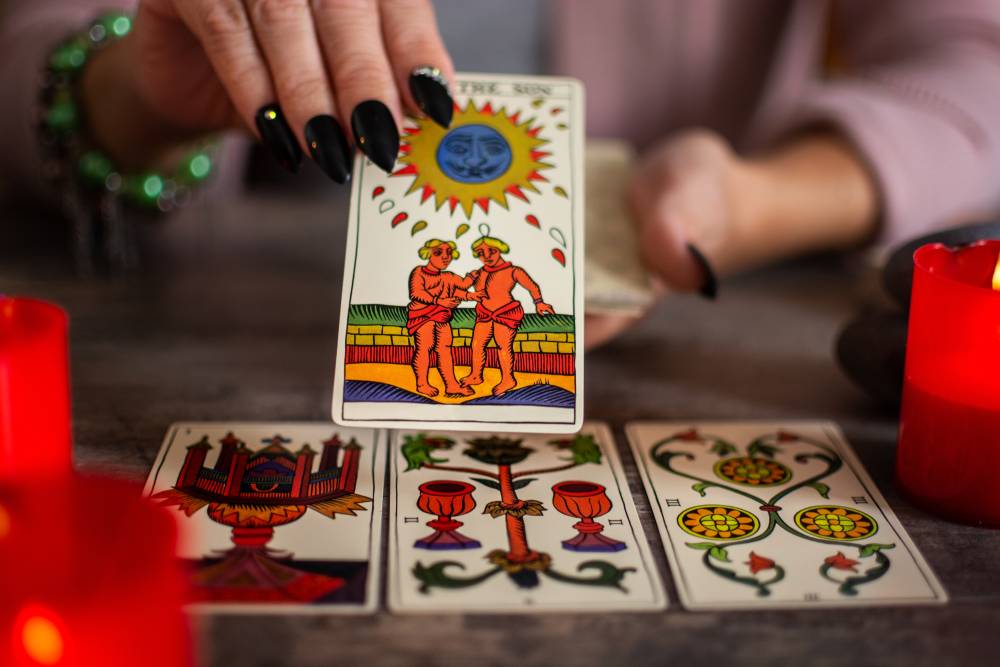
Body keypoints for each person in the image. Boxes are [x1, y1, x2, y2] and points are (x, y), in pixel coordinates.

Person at [3, 1, 1000, 347]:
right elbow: (31, 44)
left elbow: (977, 59)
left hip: (694, 334)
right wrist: (139, 93)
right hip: (234, 322)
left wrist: (751, 199)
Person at [461, 235, 553, 397]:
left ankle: (508, 379)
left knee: (503, 346)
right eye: (481, 253)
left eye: (492, 251)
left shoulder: (513, 271)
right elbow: (464, 289)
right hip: (484, 313)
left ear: (500, 250)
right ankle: (475, 375)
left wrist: (539, 302)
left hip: (505, 313)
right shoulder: (478, 273)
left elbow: (532, 287)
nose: (487, 256)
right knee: (476, 344)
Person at [406, 239, 478, 398]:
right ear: (428, 254)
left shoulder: (448, 276)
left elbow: (462, 287)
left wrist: (472, 291)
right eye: (438, 253)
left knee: (445, 349)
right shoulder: (419, 271)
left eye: (449, 253)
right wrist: (439, 301)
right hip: (423, 315)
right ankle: (422, 384)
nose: (445, 257)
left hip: (442, 316)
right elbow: (416, 293)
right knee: (425, 347)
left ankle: (451, 385)